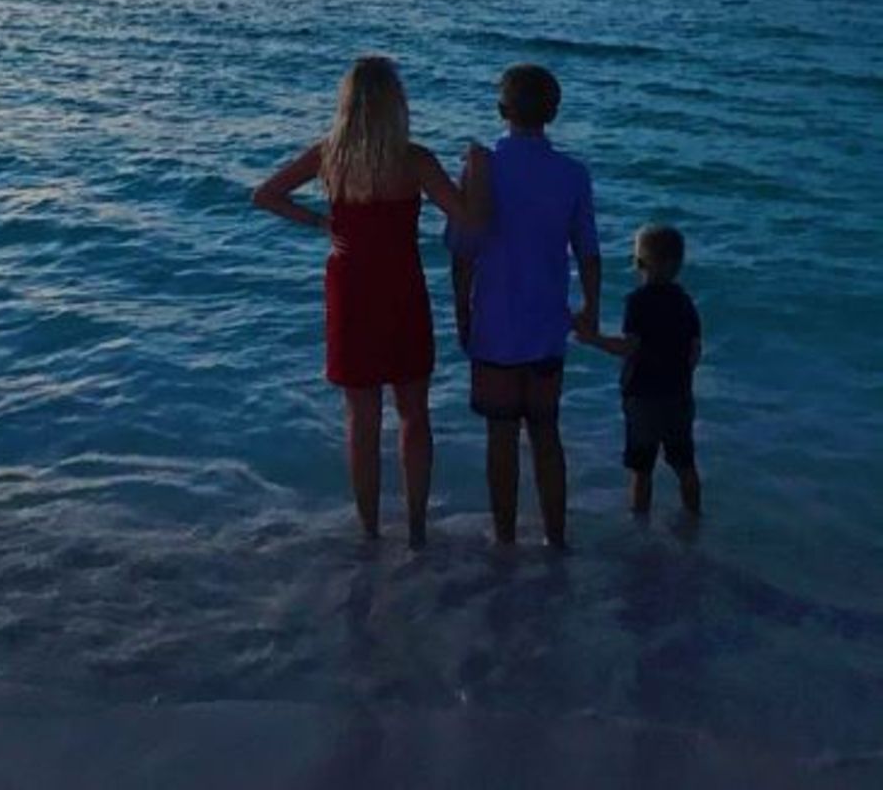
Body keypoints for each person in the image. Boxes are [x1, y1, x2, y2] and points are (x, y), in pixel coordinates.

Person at [253, 56, 489, 545]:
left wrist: (322, 224)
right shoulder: (415, 159)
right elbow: (468, 217)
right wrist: (478, 170)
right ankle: (418, 530)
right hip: (401, 284)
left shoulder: (330, 156)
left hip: (351, 285)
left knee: (361, 418)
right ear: (395, 104)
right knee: (414, 413)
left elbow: (267, 195)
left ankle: (369, 531)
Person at [448, 64, 600, 549]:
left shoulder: (482, 167)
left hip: (494, 325)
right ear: (554, 112)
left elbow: (463, 251)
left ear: (501, 110)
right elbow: (588, 252)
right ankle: (556, 538)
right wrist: (590, 308)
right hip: (545, 326)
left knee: (500, 438)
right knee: (546, 434)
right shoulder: (573, 175)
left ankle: (506, 539)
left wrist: (461, 311)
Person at [575, 224, 702, 516]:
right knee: (685, 464)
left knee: (641, 467)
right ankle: (694, 517)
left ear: (640, 263)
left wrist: (593, 340)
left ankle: (640, 525)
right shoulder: (685, 302)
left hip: (643, 396)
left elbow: (629, 346)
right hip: (679, 396)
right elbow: (695, 351)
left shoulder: (638, 301)